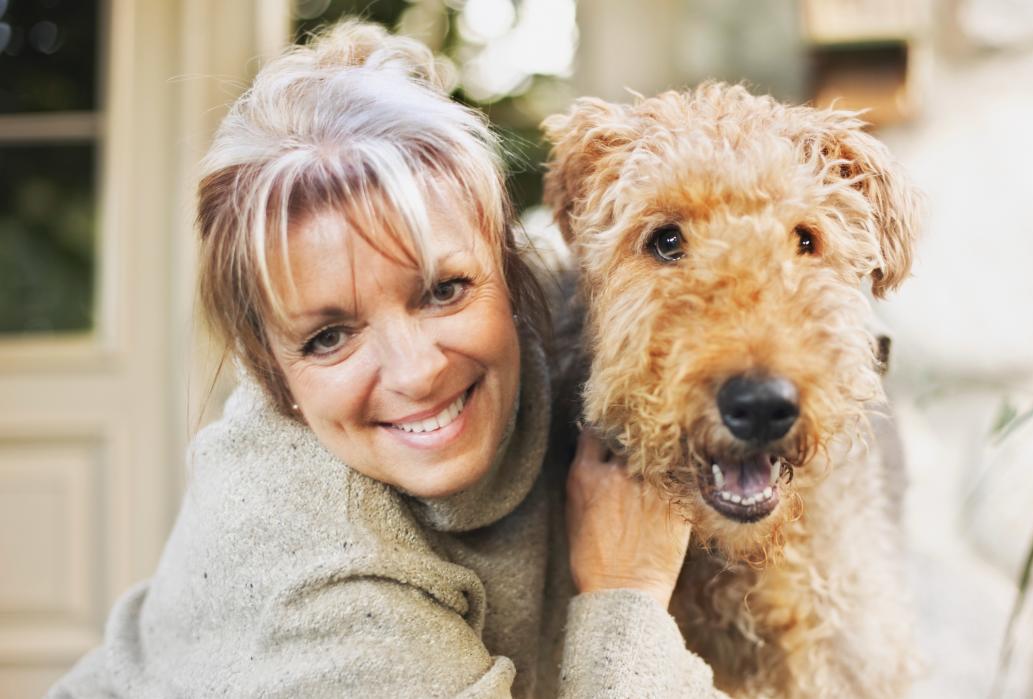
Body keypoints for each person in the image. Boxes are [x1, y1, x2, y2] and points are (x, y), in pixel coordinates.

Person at [48, 21, 726, 698]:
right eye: (329, 337)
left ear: (511, 266)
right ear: (269, 367)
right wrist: (625, 592)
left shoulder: (576, 323)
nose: (414, 371)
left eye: (443, 291)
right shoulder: (319, 576)